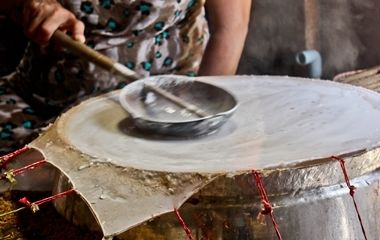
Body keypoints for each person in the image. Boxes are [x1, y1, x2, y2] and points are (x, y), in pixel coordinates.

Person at [0, 0, 251, 152]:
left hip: (168, 110)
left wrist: (202, 122)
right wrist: (33, 5)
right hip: (45, 101)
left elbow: (230, 28)